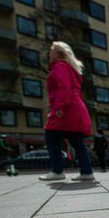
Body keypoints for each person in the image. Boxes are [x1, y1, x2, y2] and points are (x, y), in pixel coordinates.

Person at [39, 41, 94, 181]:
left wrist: (58, 107)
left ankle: (57, 170)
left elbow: (64, 87)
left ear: (58, 53)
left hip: (67, 107)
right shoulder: (71, 69)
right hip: (75, 106)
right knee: (76, 140)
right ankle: (86, 171)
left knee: (50, 135)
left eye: (51, 50)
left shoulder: (60, 67)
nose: (49, 53)